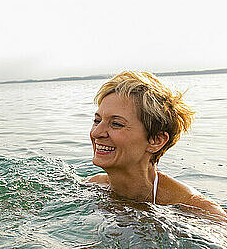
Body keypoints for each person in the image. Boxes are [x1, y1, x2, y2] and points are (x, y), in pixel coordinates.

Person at [88, 71, 226, 218]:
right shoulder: (93, 186)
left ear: (156, 140)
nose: (97, 133)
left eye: (116, 124)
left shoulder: (198, 211)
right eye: (97, 121)